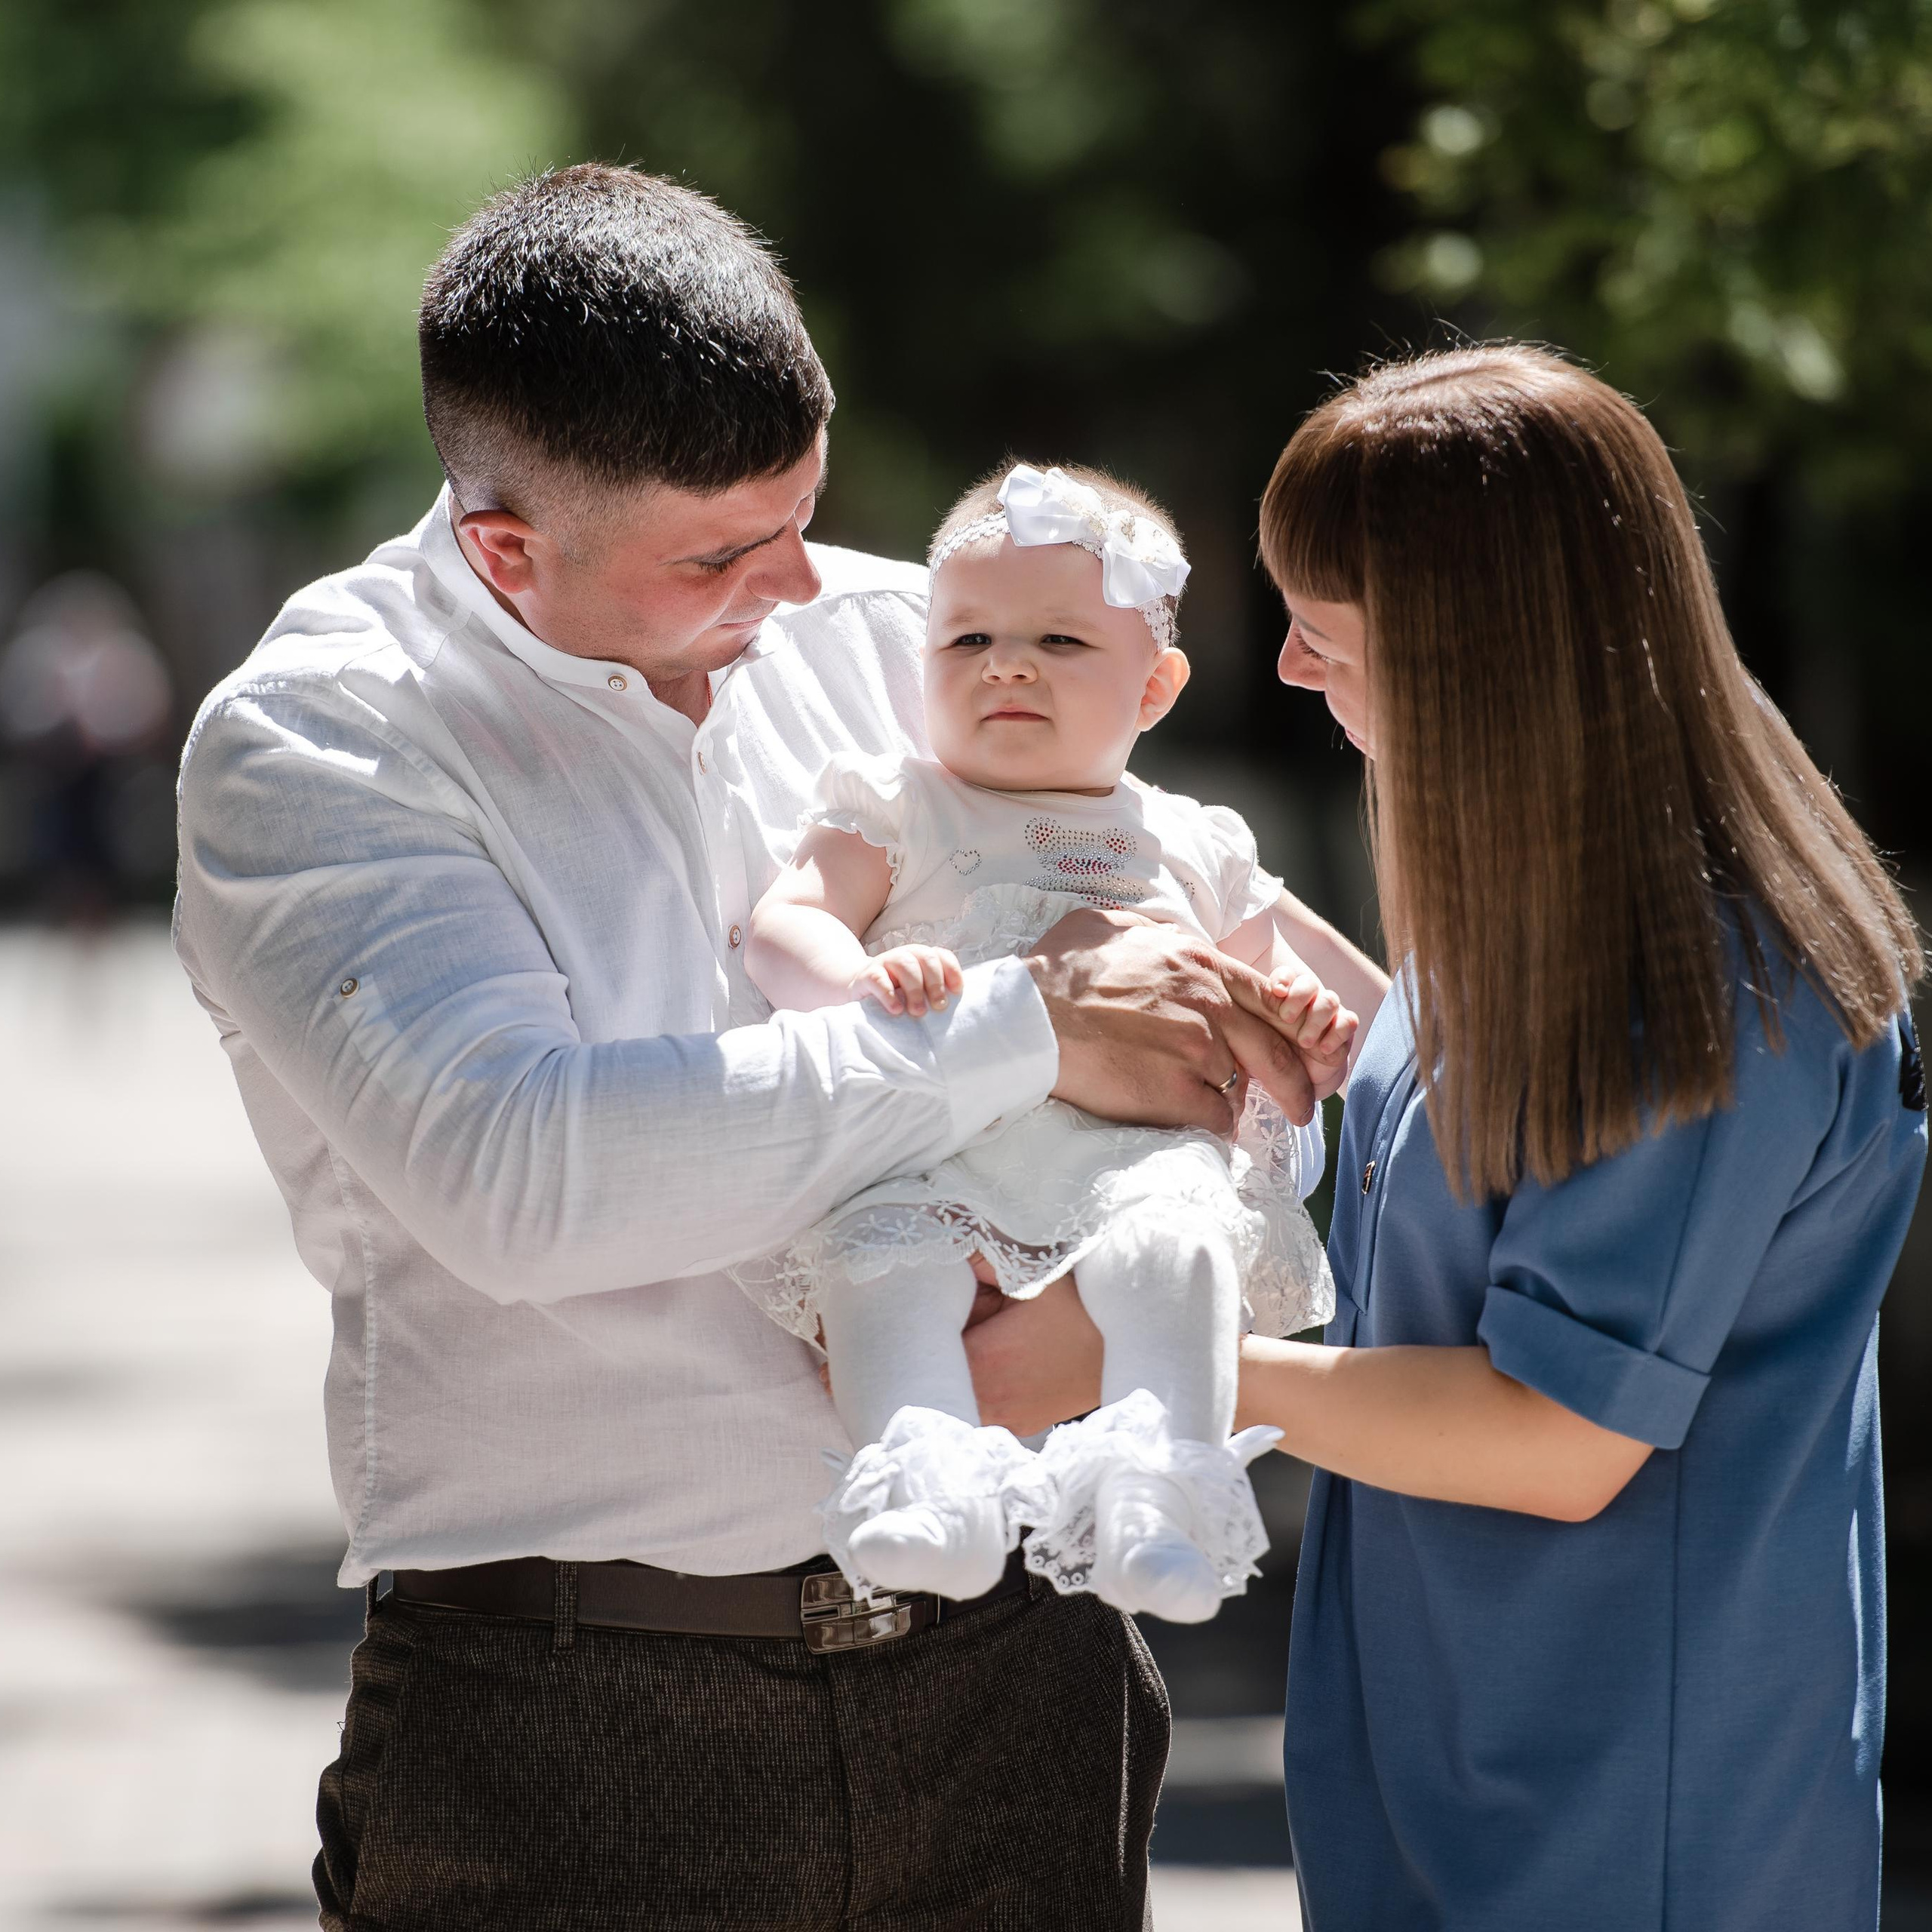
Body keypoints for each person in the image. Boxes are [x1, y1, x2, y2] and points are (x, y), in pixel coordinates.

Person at [173, 163, 1339, 1931]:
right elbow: (529, 1176)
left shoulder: (918, 639)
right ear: (507, 549)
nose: (799, 583)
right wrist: (1024, 1032)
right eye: (721, 553)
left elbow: (1267, 981)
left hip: (1015, 1677)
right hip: (581, 1712)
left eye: (805, 507)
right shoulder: (323, 739)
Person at [966, 344, 1927, 1931]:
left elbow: (1553, 1434)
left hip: (1628, 1832)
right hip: (1462, 1790)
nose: (1282, 669)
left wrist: (1134, 1348)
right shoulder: (1530, 940)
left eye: (1325, 632)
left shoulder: (1700, 985)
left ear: (1475, 654)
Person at [734, 459, 1355, 1626]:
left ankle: (1154, 1489)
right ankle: (927, 1480)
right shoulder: (898, 801)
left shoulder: (1193, 839)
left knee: (1176, 1257)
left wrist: (1307, 1032)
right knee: (886, 1274)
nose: (1007, 664)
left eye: (1061, 644)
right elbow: (785, 928)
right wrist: (859, 980)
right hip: (931, 1151)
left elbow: (1281, 1003)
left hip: (1129, 1164)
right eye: (967, 642)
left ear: (1157, 687)